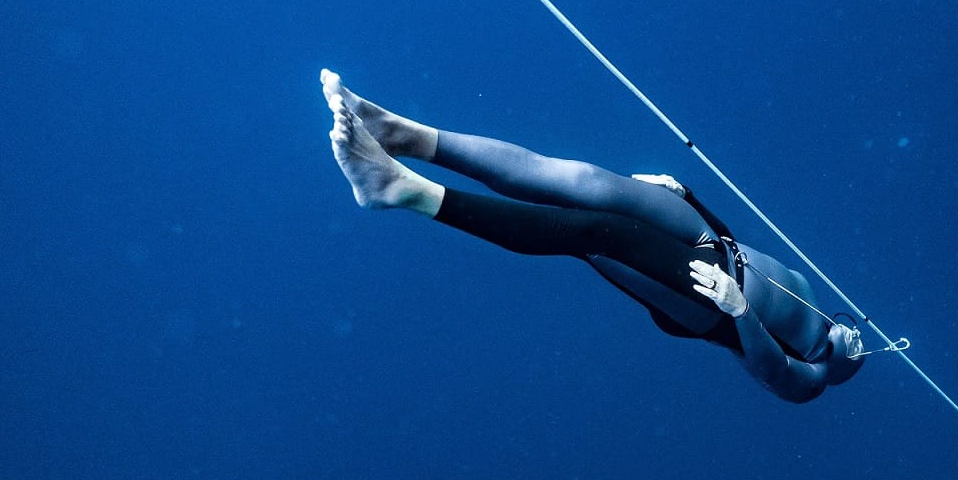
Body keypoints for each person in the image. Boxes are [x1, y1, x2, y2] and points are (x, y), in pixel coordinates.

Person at [320, 69, 866, 402]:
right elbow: (751, 253)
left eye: (860, 356)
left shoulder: (815, 378)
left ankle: (398, 188)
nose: (864, 345)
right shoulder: (815, 300)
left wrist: (739, 309)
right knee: (580, 179)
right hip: (715, 244)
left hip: (712, 303)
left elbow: (772, 371)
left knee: (589, 231)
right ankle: (401, 134)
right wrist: (689, 197)